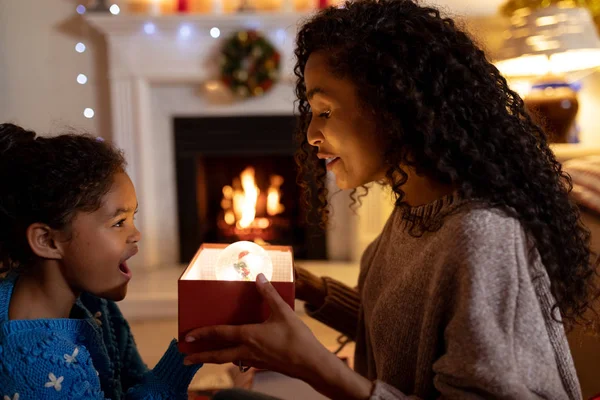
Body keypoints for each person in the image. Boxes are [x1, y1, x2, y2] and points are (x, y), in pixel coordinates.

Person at [182, 0, 599, 399]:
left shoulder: (481, 235)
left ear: (394, 108)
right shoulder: (414, 209)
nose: (310, 136)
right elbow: (398, 327)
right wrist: (312, 288)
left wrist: (313, 366)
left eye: (324, 111)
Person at [0, 123, 202, 399]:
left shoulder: (94, 302)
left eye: (133, 218)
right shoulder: (39, 366)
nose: (137, 234)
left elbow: (133, 382)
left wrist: (190, 347)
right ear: (47, 241)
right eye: (119, 222)